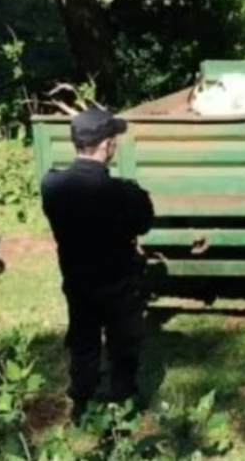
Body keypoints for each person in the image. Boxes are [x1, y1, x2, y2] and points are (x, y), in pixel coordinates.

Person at [40, 108, 155, 422]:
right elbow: (144, 223)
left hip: (77, 281)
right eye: (113, 138)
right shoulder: (124, 193)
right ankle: (124, 401)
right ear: (107, 145)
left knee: (83, 341)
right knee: (124, 341)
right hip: (119, 282)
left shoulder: (52, 186)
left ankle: (81, 404)